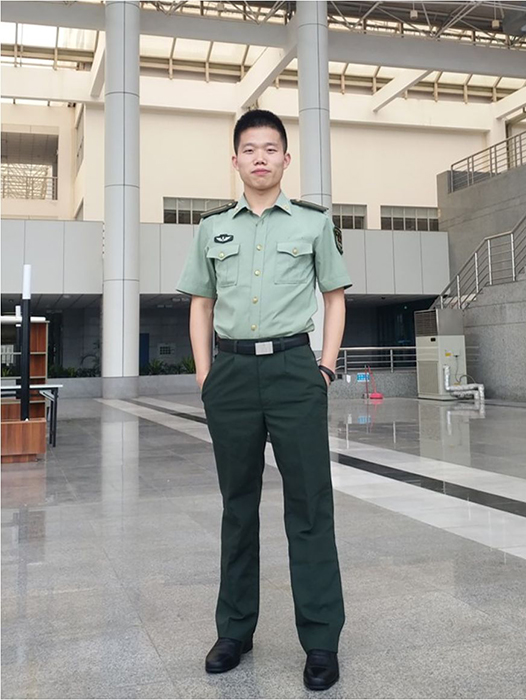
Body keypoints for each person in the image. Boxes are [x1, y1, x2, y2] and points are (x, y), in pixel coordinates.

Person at [177, 109, 351, 691]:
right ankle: (234, 631)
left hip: (294, 371)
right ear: (235, 161)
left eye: (270, 148)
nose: (260, 157)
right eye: (249, 149)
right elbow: (200, 304)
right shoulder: (212, 229)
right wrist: (205, 375)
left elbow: (335, 297)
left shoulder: (312, 223)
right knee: (237, 506)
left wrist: (325, 368)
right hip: (230, 373)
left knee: (309, 506)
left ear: (285, 159)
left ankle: (321, 641)